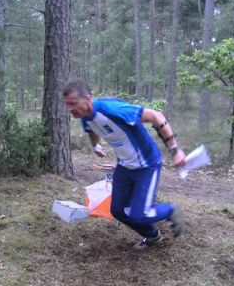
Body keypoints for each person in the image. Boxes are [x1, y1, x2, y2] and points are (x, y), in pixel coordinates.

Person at [63, 78, 186, 250]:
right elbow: (92, 130)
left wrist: (174, 150)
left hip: (146, 165)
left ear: (88, 99)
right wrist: (95, 145)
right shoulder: (85, 117)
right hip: (124, 166)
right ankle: (152, 235)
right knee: (118, 210)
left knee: (139, 213)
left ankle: (169, 210)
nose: (70, 109)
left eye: (73, 103)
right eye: (67, 104)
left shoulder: (112, 109)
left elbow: (155, 116)